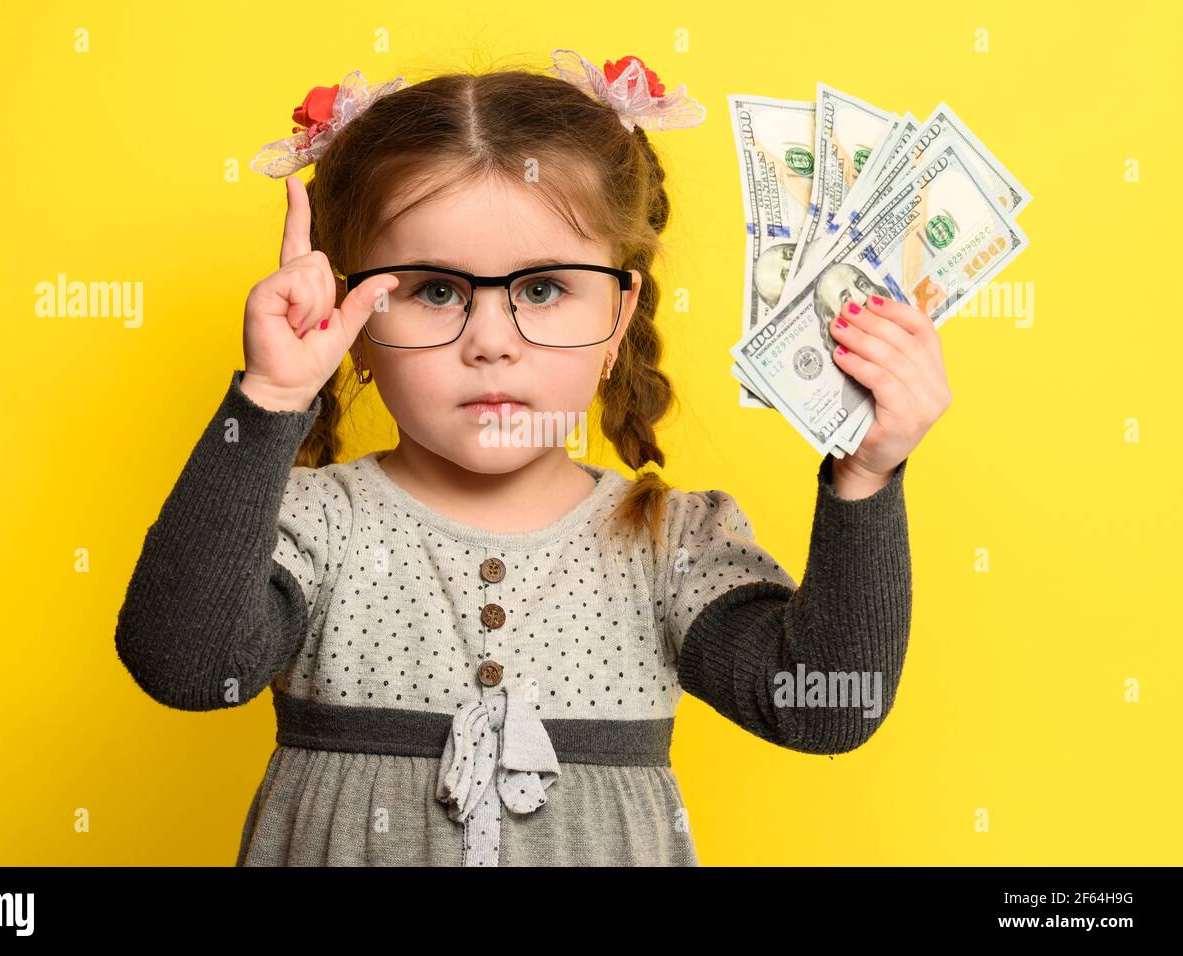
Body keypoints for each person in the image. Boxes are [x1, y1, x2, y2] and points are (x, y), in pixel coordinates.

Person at [114, 50, 949, 866]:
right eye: (435, 290)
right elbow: (183, 665)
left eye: (543, 290)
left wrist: (866, 478)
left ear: (619, 320)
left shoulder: (671, 544)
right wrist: (270, 397)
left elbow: (830, 708)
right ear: (353, 320)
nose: (490, 342)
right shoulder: (318, 523)